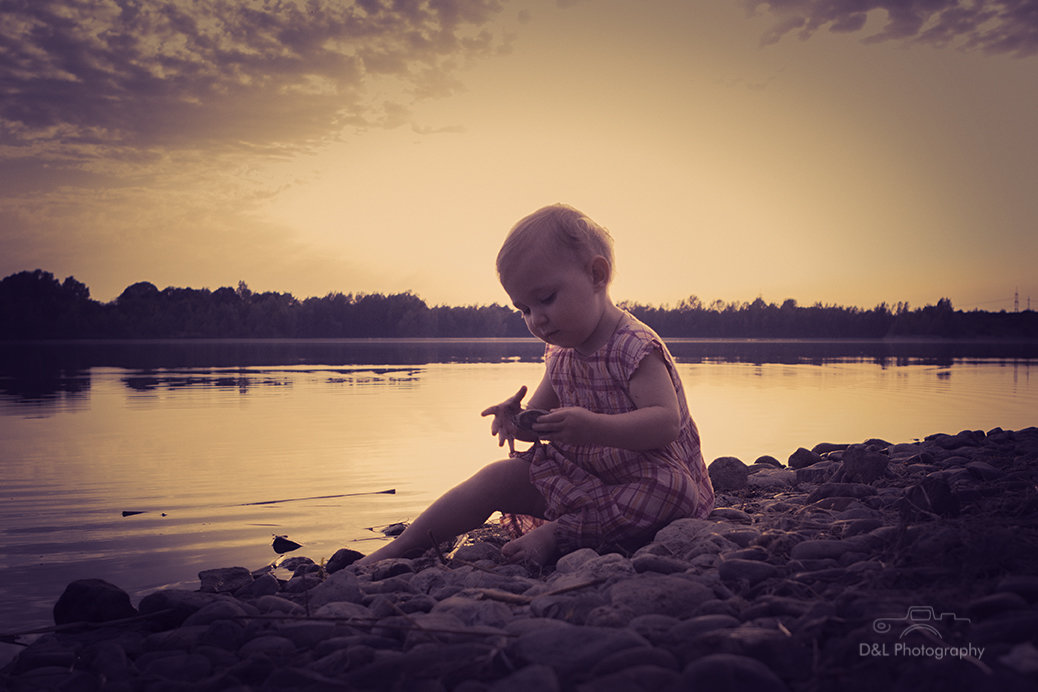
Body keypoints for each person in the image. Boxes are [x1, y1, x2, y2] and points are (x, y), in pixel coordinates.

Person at [356, 203, 714, 566]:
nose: (536, 319)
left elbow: (665, 423)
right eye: (523, 309)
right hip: (584, 481)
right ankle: (401, 548)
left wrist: (591, 428)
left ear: (596, 275)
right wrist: (518, 420)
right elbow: (539, 426)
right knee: (497, 477)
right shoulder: (561, 352)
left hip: (645, 481)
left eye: (545, 299)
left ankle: (559, 535)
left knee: (673, 492)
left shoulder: (634, 346)